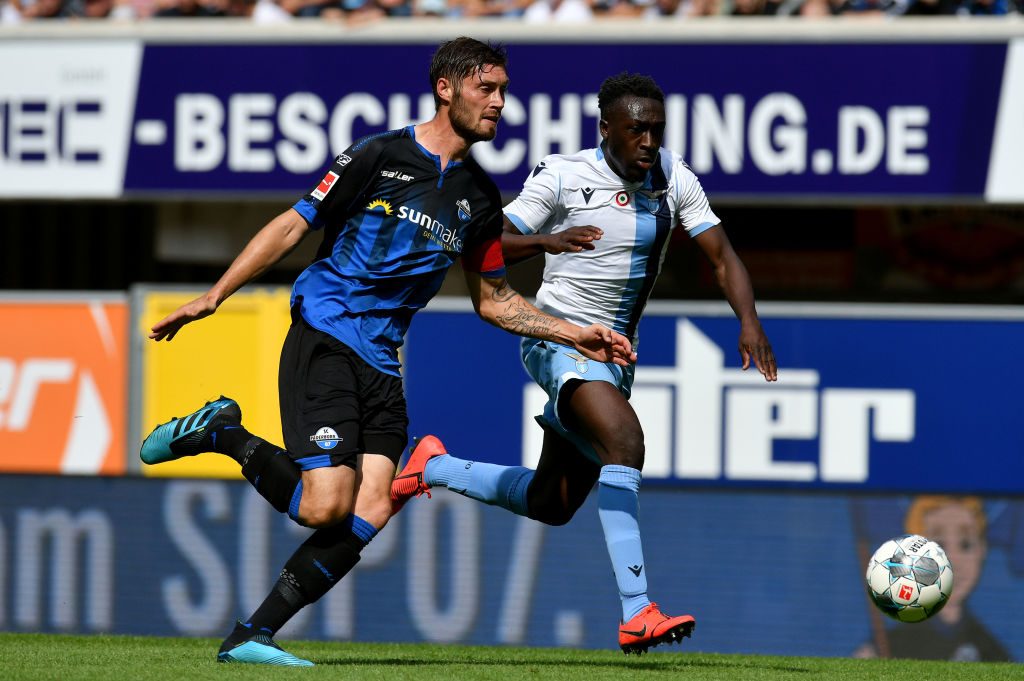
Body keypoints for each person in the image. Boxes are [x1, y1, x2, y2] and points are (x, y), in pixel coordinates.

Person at [139, 37, 635, 667]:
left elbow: (495, 302)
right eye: (488, 89)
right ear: (446, 88)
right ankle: (224, 433)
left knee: (372, 506)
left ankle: (251, 636)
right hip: (325, 334)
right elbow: (295, 223)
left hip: (382, 362)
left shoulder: (479, 198)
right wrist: (214, 297)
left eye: (505, 91)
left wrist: (574, 332)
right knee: (325, 505)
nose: (500, 104)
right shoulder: (378, 155)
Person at [390, 73, 777, 655]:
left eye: (656, 129)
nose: (649, 141)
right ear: (606, 130)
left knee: (554, 502)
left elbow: (721, 257)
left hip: (615, 357)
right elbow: (489, 237)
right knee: (625, 440)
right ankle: (637, 611)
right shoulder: (565, 175)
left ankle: (433, 467)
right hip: (559, 339)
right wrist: (549, 241)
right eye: (636, 129)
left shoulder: (675, 177)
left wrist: (749, 321)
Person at [854, 496, 1011, 661]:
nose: (954, 561)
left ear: (982, 550)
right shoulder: (886, 648)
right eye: (939, 546)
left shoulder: (993, 654)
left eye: (965, 545)